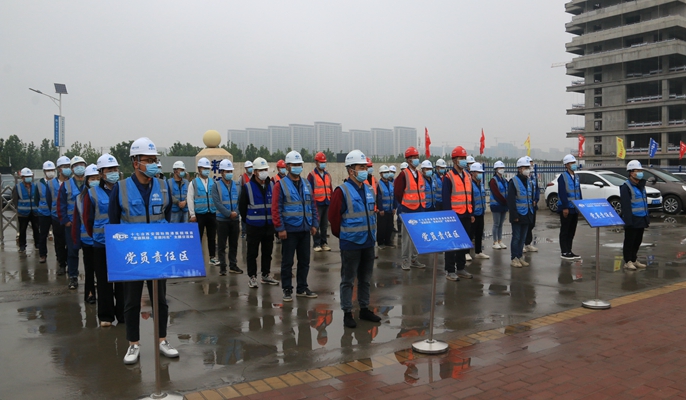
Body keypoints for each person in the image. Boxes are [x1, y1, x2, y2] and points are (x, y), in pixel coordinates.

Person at [108, 137, 178, 365]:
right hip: (132, 254)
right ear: (135, 162)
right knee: (131, 300)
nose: (153, 164)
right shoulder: (121, 188)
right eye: (148, 160)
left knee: (160, 299)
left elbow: (166, 217)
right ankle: (133, 344)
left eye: (154, 160)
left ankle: (162, 339)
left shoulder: (163, 186)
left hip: (157, 253)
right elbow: (114, 223)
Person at [329, 150, 382, 328]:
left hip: (368, 241)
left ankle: (364, 308)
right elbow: (333, 218)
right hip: (351, 243)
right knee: (348, 280)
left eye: (365, 167)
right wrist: (344, 235)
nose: (364, 170)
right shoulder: (342, 191)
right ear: (350, 170)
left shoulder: (368, 189)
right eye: (361, 167)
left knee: (366, 279)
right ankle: (347, 312)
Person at [272, 150, 319, 302]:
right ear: (287, 166)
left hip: (305, 229)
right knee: (287, 262)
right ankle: (287, 289)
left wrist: (314, 224)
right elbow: (276, 208)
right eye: (294, 164)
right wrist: (280, 228)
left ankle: (302, 287)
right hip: (289, 230)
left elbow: (312, 205)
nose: (298, 167)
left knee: (304, 261)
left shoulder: (306, 183)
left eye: (300, 164)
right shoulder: (280, 185)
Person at [83, 153, 123, 327]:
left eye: (115, 169)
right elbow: (87, 219)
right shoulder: (92, 193)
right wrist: (97, 236)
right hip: (101, 243)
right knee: (103, 280)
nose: (113, 172)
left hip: (121, 243)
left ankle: (123, 314)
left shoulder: (123, 189)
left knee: (122, 281)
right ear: (101, 173)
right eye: (109, 169)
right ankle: (106, 316)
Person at [239, 157, 279, 287]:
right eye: (261, 170)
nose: (264, 172)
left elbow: (276, 205)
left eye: (265, 169)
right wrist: (248, 221)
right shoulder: (248, 187)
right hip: (253, 227)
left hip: (269, 226)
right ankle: (252, 277)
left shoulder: (272, 185)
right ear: (255, 172)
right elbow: (242, 207)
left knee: (267, 253)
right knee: (252, 253)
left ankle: (266, 275)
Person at [442, 146, 474, 281]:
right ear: (455, 160)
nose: (464, 161)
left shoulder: (467, 175)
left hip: (466, 213)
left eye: (464, 158)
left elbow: (471, 195)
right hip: (454, 215)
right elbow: (446, 198)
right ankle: (450, 270)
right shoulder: (448, 176)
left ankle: (461, 268)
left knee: (463, 243)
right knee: (451, 244)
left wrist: (472, 213)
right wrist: (449, 215)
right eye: (461, 158)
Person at [57, 155, 87, 290]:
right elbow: (61, 204)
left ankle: (91, 277)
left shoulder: (90, 183)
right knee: (72, 251)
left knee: (89, 252)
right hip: (72, 224)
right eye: (76, 165)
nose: (79, 167)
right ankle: (73, 277)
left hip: (87, 225)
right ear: (72, 169)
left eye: (82, 165)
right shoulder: (66, 185)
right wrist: (65, 221)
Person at [394, 147, 426, 270]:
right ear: (408, 160)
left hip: (418, 209)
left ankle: (414, 259)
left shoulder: (419, 174)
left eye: (417, 157)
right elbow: (398, 192)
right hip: (407, 210)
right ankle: (405, 261)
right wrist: (404, 204)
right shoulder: (404, 174)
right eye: (413, 157)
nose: (416, 159)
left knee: (416, 236)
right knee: (406, 239)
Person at [72, 164, 99, 305]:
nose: (95, 181)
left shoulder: (105, 194)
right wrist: (76, 241)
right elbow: (76, 220)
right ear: (87, 180)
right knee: (89, 269)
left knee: (102, 270)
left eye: (97, 178)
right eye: (92, 178)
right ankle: (90, 293)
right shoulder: (80, 198)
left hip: (102, 239)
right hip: (87, 239)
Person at [211, 159, 243, 276]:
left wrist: (236, 212)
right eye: (227, 171)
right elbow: (217, 203)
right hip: (222, 220)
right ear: (222, 172)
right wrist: (228, 213)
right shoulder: (216, 186)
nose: (229, 173)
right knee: (222, 245)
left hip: (235, 220)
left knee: (234, 244)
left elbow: (240, 201)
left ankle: (233, 265)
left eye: (230, 171)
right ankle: (223, 267)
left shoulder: (237, 185)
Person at [188, 157, 218, 266]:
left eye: (208, 168)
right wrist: (192, 214)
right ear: (199, 169)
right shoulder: (193, 183)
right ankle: (196, 258)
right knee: (198, 237)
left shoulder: (213, 182)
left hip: (211, 213)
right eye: (204, 168)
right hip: (199, 214)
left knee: (212, 237)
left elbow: (216, 197)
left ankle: (212, 257)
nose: (206, 170)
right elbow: (190, 199)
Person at [620, 160, 649, 270]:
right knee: (629, 241)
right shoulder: (626, 186)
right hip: (632, 219)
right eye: (638, 171)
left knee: (638, 241)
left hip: (641, 218)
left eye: (641, 171)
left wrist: (646, 218)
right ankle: (628, 261)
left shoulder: (641, 185)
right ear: (631, 173)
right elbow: (626, 206)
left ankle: (634, 259)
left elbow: (644, 202)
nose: (640, 173)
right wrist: (628, 221)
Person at [507, 157, 535, 268]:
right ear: (519, 169)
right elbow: (511, 200)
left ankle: (519, 256)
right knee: (516, 237)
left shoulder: (529, 181)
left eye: (528, 167)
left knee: (523, 238)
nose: (527, 169)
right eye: (525, 167)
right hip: (518, 214)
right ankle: (514, 258)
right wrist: (514, 215)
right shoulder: (513, 182)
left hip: (527, 214)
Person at [557, 154, 582, 260]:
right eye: (571, 163)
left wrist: (580, 206)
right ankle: (564, 251)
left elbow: (579, 191)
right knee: (565, 230)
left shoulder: (576, 177)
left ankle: (569, 250)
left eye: (574, 163)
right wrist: (565, 207)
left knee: (572, 230)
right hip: (567, 208)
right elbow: (562, 193)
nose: (573, 164)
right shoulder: (562, 177)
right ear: (566, 165)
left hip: (575, 207)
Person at [308, 152, 333, 252]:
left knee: (324, 225)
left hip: (326, 202)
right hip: (317, 203)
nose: (323, 164)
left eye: (324, 162)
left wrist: (331, 200)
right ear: (316, 162)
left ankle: (324, 242)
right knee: (316, 224)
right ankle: (316, 243)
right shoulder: (312, 175)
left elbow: (330, 188)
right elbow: (309, 190)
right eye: (321, 162)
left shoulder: (327, 175)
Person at [52, 156, 71, 274]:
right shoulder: (52, 183)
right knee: (59, 242)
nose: (67, 169)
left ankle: (70, 264)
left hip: (70, 218)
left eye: (68, 166)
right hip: (56, 218)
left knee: (70, 243)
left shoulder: (72, 183)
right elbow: (49, 199)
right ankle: (61, 264)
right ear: (59, 169)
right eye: (65, 167)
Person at [12, 168, 38, 254]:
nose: (28, 178)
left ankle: (37, 244)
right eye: (26, 176)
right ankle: (22, 246)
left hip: (34, 212)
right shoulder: (17, 187)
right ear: (22, 177)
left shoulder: (35, 186)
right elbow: (15, 199)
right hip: (23, 213)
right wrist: (18, 208)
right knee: (22, 230)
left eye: (29, 176)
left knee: (36, 229)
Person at [36, 161, 57, 263]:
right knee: (43, 235)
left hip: (56, 213)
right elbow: (36, 199)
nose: (50, 172)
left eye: (52, 170)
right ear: (44, 171)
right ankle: (43, 255)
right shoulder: (39, 184)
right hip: (43, 214)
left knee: (58, 236)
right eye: (48, 170)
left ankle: (59, 256)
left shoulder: (57, 182)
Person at [469, 162, 489, 260]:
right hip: (473, 213)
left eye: (481, 172)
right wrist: (471, 213)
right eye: (478, 172)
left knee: (479, 233)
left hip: (480, 212)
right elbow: (469, 200)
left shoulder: (480, 184)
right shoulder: (469, 184)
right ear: (472, 173)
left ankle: (478, 251)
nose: (480, 174)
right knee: (470, 233)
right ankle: (466, 252)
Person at [489, 161, 508, 250]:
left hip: (504, 205)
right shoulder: (493, 180)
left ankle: (500, 240)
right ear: (496, 169)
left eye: (502, 168)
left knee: (501, 224)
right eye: (500, 168)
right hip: (496, 205)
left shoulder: (504, 180)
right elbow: (496, 193)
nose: (502, 170)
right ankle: (495, 241)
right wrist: (504, 201)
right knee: (496, 224)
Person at [376, 165, 395, 249]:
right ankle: (380, 243)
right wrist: (380, 209)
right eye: (384, 172)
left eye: (387, 172)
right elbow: (378, 198)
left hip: (390, 210)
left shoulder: (391, 184)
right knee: (381, 227)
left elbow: (394, 196)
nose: (386, 174)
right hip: (382, 211)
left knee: (389, 227)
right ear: (380, 174)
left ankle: (388, 241)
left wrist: (394, 208)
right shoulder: (378, 184)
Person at [524, 156, 539, 253]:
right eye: (530, 164)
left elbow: (537, 189)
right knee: (525, 225)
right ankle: (523, 244)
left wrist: (536, 200)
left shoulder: (533, 177)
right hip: (525, 206)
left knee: (531, 224)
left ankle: (528, 243)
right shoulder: (522, 178)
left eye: (532, 164)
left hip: (533, 205)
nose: (531, 166)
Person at [238, 161, 254, 238]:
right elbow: (239, 189)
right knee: (244, 215)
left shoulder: (254, 176)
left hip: (253, 199)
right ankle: (244, 232)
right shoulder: (242, 177)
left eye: (251, 167)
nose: (250, 168)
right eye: (248, 167)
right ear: (245, 168)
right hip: (245, 199)